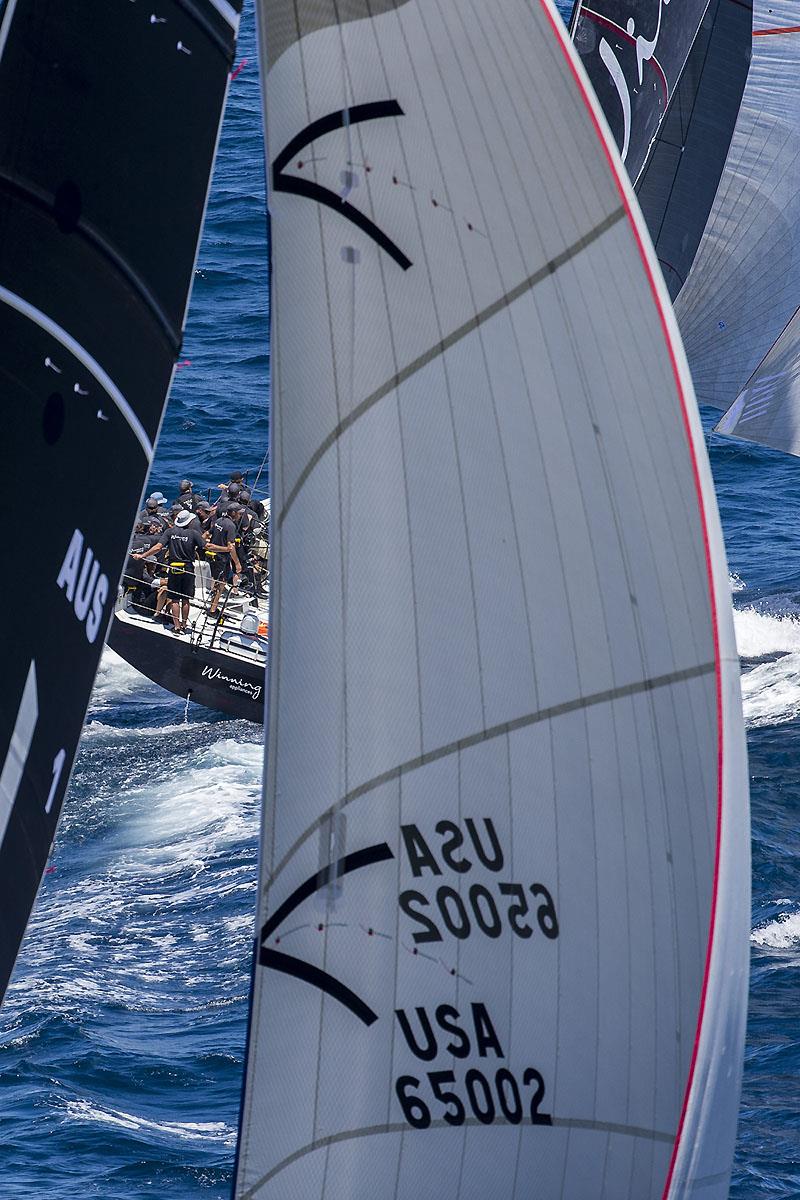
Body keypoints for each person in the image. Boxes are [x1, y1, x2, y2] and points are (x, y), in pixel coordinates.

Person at [161, 509, 205, 633]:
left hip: (174, 568)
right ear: (190, 521)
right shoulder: (194, 533)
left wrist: (143, 555)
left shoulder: (169, 532)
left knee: (174, 599)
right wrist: (225, 549)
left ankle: (176, 626)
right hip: (188, 569)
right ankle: (184, 625)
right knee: (185, 599)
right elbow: (206, 546)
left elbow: (158, 547)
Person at [205, 502, 242, 614]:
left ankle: (212, 605)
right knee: (221, 584)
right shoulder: (231, 526)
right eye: (239, 513)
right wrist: (237, 563)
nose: (240, 515)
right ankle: (213, 610)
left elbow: (207, 534)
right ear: (234, 513)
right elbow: (231, 547)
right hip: (221, 559)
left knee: (216, 581)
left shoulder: (219, 521)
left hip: (213, 557)